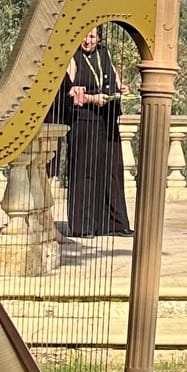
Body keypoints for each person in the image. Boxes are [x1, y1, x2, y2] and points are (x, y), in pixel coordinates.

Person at [52, 27, 132, 236]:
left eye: (93, 37)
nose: (88, 41)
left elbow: (115, 80)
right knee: (84, 172)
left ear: (99, 38)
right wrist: (91, 99)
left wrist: (121, 88)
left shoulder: (104, 53)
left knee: (111, 170)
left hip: (107, 119)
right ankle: (84, 225)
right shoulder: (71, 56)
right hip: (84, 120)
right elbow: (67, 92)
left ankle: (116, 223)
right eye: (85, 36)